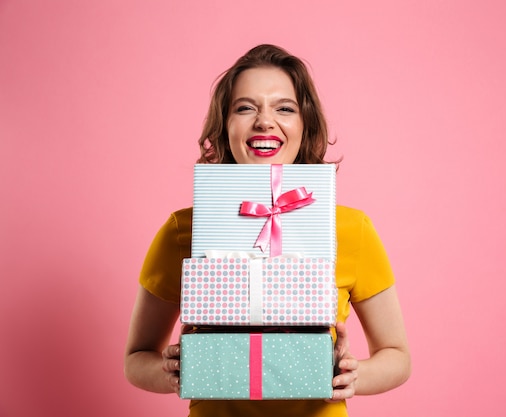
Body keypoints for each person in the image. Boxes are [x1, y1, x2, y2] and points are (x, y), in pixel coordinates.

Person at [124, 44, 411, 417]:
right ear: (224, 127)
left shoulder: (350, 229)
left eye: (284, 108)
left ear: (304, 124)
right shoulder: (184, 230)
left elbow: (398, 356)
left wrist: (355, 376)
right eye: (245, 107)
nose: (264, 121)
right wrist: (172, 373)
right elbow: (136, 358)